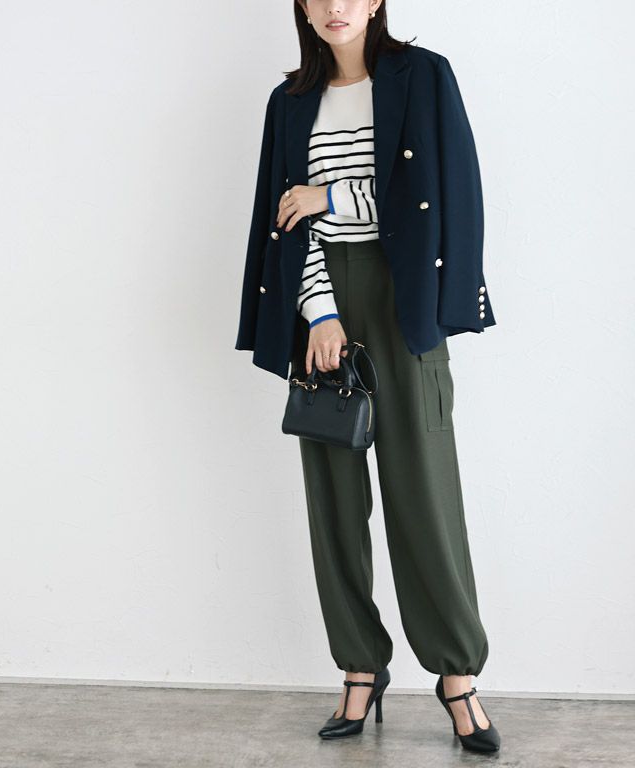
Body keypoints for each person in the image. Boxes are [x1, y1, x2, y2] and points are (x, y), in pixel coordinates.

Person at [235, 0, 500, 754]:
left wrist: (330, 195)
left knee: (424, 493)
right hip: (323, 304)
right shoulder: (290, 102)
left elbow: (437, 196)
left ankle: (457, 676)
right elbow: (287, 221)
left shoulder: (423, 77)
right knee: (335, 501)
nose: (335, 6)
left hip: (404, 297)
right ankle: (359, 667)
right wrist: (318, 315)